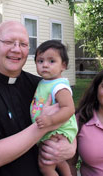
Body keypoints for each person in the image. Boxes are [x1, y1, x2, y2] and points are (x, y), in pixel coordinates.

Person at [0, 21, 76, 176]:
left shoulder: (41, 85)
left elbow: (69, 117)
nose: (17, 49)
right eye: (9, 42)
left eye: (24, 44)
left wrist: (70, 146)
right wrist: (44, 124)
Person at [31, 40, 78, 176]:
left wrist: (50, 120)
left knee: (45, 165)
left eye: (51, 61)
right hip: (50, 128)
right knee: (58, 161)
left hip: (57, 129)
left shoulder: (59, 86)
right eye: (40, 61)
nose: (45, 65)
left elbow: (69, 109)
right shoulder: (44, 82)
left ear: (63, 65)